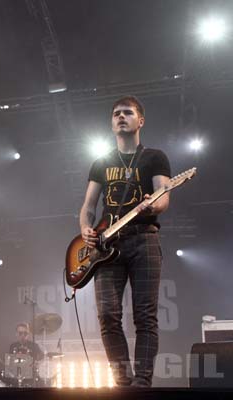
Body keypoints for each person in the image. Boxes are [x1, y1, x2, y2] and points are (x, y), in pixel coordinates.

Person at [79, 95, 171, 387]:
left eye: (128, 113)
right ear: (111, 122)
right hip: (108, 246)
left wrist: (151, 206)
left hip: (144, 239)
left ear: (140, 120)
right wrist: (84, 227)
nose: (121, 117)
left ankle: (142, 384)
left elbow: (164, 196)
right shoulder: (101, 162)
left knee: (145, 315)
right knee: (107, 315)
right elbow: (89, 205)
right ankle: (123, 382)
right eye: (116, 113)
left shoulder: (155, 157)